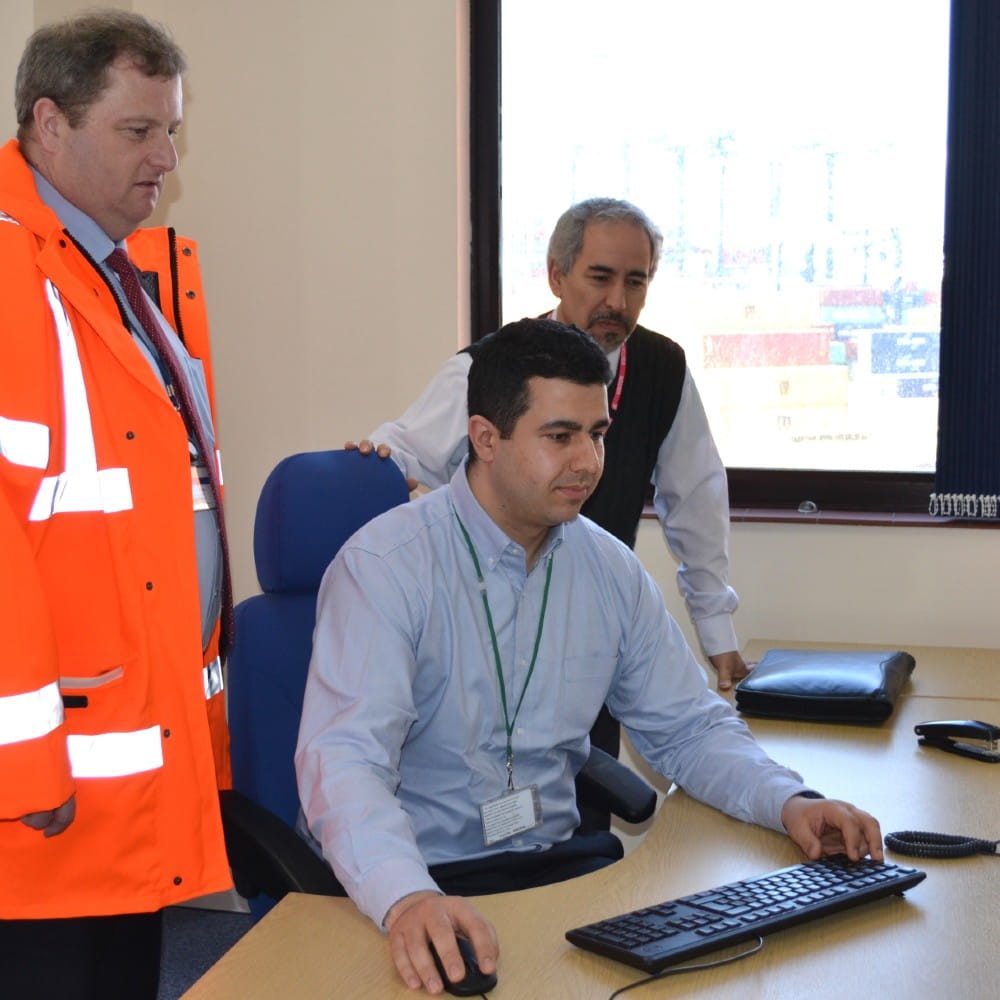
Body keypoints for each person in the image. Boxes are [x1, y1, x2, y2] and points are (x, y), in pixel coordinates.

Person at [299, 318, 883, 996]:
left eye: (596, 434)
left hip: (558, 877)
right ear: (485, 438)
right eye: (559, 436)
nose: (587, 461)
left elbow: (688, 727)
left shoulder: (607, 567)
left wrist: (790, 801)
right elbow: (344, 763)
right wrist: (404, 897)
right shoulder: (385, 568)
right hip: (422, 885)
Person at [0, 11, 231, 997]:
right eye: (139, 131)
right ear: (49, 125)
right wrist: (23, 764)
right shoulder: (14, 275)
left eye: (171, 130)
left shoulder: (119, 273)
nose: (165, 155)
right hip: (49, 780)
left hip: (128, 756)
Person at [359, 198, 748, 696]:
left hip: (595, 618)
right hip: (492, 625)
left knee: (593, 766)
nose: (618, 301)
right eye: (600, 277)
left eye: (636, 281)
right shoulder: (493, 368)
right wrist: (366, 466)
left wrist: (717, 629)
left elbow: (697, 500)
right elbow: (404, 454)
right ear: (556, 276)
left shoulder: (663, 368)